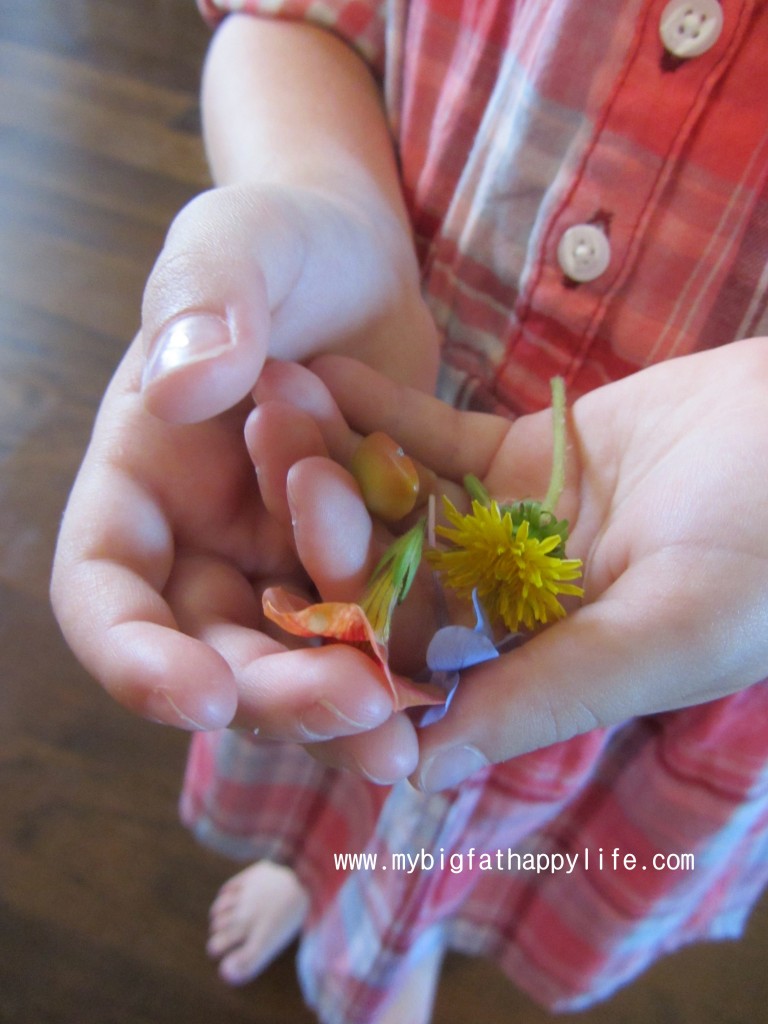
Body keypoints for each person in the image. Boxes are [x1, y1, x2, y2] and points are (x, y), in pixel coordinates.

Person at [50, 1, 768, 1022]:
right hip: (377, 360)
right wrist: (319, 197)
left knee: (471, 775)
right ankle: (322, 876)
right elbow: (288, 21)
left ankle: (408, 930)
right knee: (350, 720)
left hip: (726, 586)